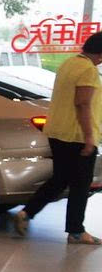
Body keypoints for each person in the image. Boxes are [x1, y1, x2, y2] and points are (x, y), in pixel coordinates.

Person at [13, 32, 102, 244]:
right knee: (81, 185)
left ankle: (27, 212)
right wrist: (89, 137)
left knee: (60, 179)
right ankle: (76, 231)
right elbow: (82, 103)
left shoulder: (69, 63)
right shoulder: (88, 70)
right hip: (77, 135)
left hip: (57, 132)